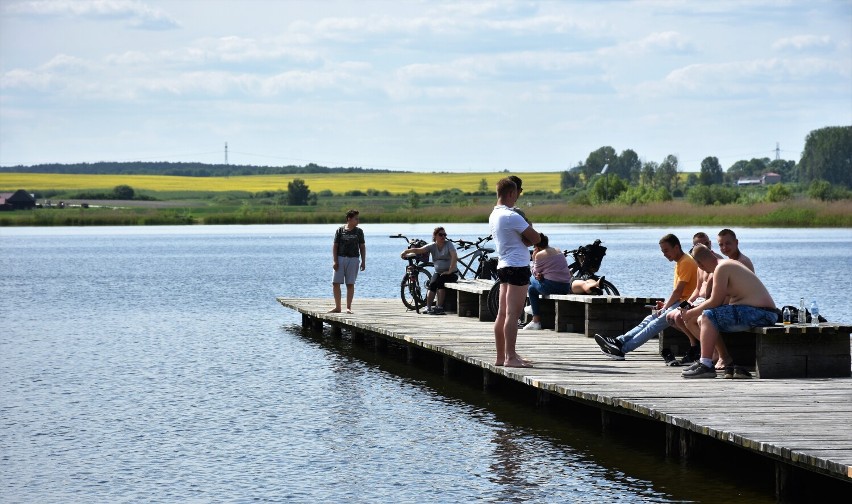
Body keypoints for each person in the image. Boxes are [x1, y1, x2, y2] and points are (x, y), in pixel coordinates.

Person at [680, 244, 777, 378]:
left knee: (708, 316)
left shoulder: (722, 268)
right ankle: (711, 360)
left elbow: (715, 302)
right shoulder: (724, 265)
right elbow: (717, 302)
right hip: (757, 312)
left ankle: (706, 365)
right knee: (705, 317)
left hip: (762, 313)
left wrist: (690, 313)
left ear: (700, 265)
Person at [595, 233, 698, 360]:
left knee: (654, 325)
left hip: (686, 304)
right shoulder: (680, 262)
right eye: (662, 251)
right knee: (648, 320)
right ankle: (619, 341)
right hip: (679, 302)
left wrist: (665, 307)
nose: (664, 254)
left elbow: (678, 292)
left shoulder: (686, 262)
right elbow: (679, 292)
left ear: (676, 247)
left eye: (666, 250)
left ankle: (621, 350)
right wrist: (665, 305)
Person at [490, 177, 541, 367]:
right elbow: (535, 238)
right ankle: (510, 358)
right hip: (517, 266)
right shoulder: (512, 216)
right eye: (516, 194)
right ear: (511, 193)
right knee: (513, 314)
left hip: (503, 265)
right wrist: (530, 237)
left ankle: (501, 356)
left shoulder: (494, 215)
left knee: (502, 314)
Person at [664, 232, 724, 364]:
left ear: (710, 243)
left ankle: (711, 352)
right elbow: (697, 290)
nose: (705, 246)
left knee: (684, 316)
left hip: (707, 302)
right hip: (697, 300)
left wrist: (691, 308)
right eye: (700, 244)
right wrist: (686, 304)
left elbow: (711, 296)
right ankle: (695, 346)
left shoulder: (717, 263)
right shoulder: (699, 264)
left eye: (706, 243)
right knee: (672, 316)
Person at [524, 234, 605, 330]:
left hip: (550, 287)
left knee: (530, 277)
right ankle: (535, 316)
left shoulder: (539, 255)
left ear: (536, 246)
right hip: (565, 287)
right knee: (532, 289)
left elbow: (535, 272)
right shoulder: (558, 250)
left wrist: (533, 259)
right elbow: (548, 270)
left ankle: (536, 319)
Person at [400, 226, 459, 315]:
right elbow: (419, 250)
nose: (443, 237)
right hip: (438, 272)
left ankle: (439, 307)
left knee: (440, 283)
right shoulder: (432, 246)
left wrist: (450, 271)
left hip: (451, 273)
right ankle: (428, 307)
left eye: (444, 235)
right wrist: (406, 251)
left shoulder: (448, 244)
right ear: (435, 236)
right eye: (440, 235)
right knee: (432, 284)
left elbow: (454, 257)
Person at [330, 209, 365, 314]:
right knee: (335, 283)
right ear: (349, 219)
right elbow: (335, 246)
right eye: (356, 219)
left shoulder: (359, 231)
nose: (358, 221)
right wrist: (335, 261)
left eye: (358, 219)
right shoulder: (340, 230)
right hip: (340, 258)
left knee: (350, 283)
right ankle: (338, 307)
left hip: (353, 259)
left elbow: (362, 247)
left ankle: (348, 308)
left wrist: (363, 261)